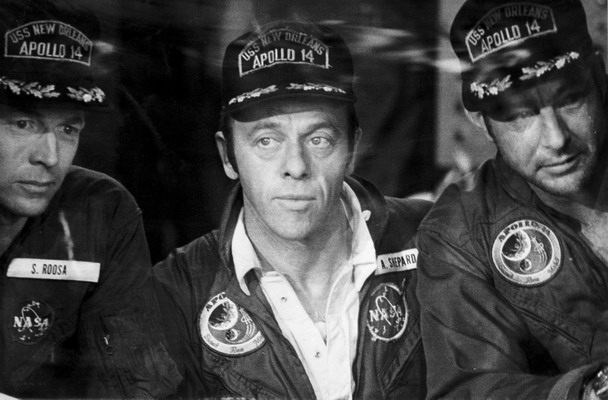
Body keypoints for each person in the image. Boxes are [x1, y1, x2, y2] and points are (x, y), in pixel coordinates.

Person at [153, 20, 430, 399]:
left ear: (351, 150)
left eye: (319, 139)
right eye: (266, 140)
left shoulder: (431, 241)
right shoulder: (175, 293)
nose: (296, 166)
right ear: (228, 156)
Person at [416, 0, 608, 398]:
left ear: (599, 75)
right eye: (521, 115)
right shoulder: (461, 233)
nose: (556, 138)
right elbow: (470, 390)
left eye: (570, 99)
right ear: (480, 121)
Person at [0, 1, 181, 397]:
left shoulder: (102, 211)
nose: (50, 157)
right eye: (23, 123)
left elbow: (136, 383)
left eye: (68, 129)